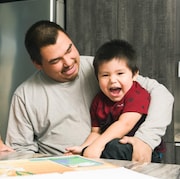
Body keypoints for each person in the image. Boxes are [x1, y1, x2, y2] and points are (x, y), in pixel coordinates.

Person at [5, 20, 174, 163]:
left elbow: (160, 93)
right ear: (38, 64)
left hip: (115, 163)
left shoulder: (101, 69)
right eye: (56, 60)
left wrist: (145, 139)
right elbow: (21, 153)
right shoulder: (25, 96)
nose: (68, 63)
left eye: (69, 50)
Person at [65, 39, 163, 162]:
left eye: (120, 73)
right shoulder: (98, 101)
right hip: (111, 149)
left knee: (112, 146)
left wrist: (97, 146)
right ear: (97, 78)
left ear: (134, 75)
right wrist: (83, 149)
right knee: (106, 149)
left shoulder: (138, 94)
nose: (112, 80)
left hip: (143, 151)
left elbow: (124, 124)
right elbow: (96, 133)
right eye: (105, 75)